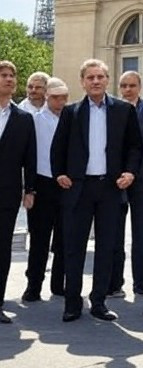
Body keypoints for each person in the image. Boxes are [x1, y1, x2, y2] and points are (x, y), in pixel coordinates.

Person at [50, 59, 142, 323]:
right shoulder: (71, 112)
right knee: (73, 247)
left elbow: (136, 147)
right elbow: (58, 147)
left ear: (107, 80)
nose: (95, 81)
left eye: (100, 77)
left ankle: (99, 302)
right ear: (83, 82)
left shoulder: (123, 111)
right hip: (79, 188)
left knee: (107, 246)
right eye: (90, 77)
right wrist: (60, 174)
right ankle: (72, 303)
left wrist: (130, 172)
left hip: (110, 188)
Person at [23, 76, 68, 303]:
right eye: (55, 97)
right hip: (42, 183)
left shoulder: (72, 119)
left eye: (63, 98)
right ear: (47, 97)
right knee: (39, 238)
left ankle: (58, 283)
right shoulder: (34, 120)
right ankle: (34, 284)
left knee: (63, 237)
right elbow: (29, 156)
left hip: (66, 184)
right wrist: (29, 188)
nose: (60, 102)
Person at [107, 71, 143, 298]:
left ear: (139, 87)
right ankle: (115, 283)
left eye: (132, 85)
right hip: (117, 181)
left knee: (142, 236)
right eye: (123, 85)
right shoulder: (112, 111)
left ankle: (140, 283)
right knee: (115, 235)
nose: (127, 90)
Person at [0, 61, 36, 323]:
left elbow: (30, 158)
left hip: (7, 192)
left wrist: (30, 190)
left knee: (2, 248)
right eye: (3, 75)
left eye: (12, 75)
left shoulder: (23, 119)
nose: (10, 79)